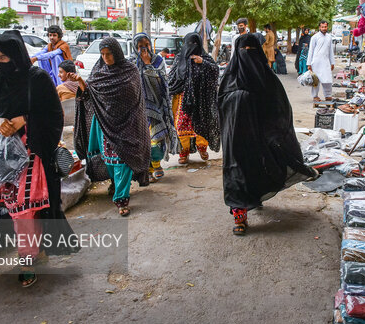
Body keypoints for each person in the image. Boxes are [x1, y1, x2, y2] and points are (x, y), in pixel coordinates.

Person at [0, 30, 78, 287]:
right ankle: (34, 250)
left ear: (16, 56)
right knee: (20, 211)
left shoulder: (38, 79)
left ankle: (27, 257)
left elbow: (54, 116)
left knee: (25, 210)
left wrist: (24, 120)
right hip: (3, 159)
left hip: (33, 155)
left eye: (3, 58)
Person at [219, 33, 317, 236]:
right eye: (243, 51)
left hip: (261, 137)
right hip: (235, 138)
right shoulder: (229, 78)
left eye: (251, 51)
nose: (247, 55)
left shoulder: (268, 78)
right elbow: (219, 104)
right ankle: (239, 216)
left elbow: (280, 108)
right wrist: (240, 100)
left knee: (258, 169)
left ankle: (256, 197)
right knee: (236, 174)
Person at [72, 37, 150, 216]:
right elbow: (89, 95)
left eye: (109, 54)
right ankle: (117, 185)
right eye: (103, 54)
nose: (106, 57)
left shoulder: (130, 70)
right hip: (105, 125)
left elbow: (134, 96)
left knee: (124, 161)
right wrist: (80, 82)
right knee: (111, 161)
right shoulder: (98, 71)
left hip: (128, 124)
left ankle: (121, 199)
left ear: (117, 53)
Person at [168, 33, 220, 164]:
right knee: (181, 125)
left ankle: (202, 148)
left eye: (195, 44)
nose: (192, 47)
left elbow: (215, 71)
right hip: (182, 99)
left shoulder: (205, 58)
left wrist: (203, 63)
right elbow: (172, 77)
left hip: (202, 99)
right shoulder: (180, 58)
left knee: (202, 123)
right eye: (189, 44)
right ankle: (183, 151)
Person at [133, 33, 178, 183]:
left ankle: (156, 164)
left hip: (158, 105)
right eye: (140, 46)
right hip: (139, 108)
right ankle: (149, 168)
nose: (144, 49)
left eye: (146, 45)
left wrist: (148, 65)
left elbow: (162, 80)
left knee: (157, 138)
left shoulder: (158, 61)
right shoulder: (132, 63)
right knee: (144, 139)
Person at [307, 21, 335, 102]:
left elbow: (330, 51)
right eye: (322, 27)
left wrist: (332, 62)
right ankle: (315, 96)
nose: (324, 28)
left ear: (327, 27)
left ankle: (328, 95)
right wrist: (309, 64)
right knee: (316, 80)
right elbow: (311, 51)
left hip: (326, 62)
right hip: (316, 62)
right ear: (319, 27)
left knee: (328, 80)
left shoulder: (329, 37)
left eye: (325, 27)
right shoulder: (314, 37)